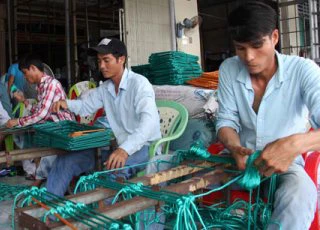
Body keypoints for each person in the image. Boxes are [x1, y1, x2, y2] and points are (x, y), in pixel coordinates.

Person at [216, 2, 319, 229]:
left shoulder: (303, 70)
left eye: (256, 45)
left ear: (274, 37)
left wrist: (293, 144)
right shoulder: (228, 69)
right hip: (240, 161)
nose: (249, 57)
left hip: (287, 164)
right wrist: (234, 146)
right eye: (240, 48)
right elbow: (226, 120)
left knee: (300, 194)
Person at [49, 38, 161, 197]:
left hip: (144, 146)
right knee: (66, 161)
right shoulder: (106, 88)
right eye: (99, 61)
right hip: (118, 146)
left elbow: (148, 124)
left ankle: (103, 218)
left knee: (112, 173)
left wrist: (124, 150)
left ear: (121, 59)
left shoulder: (139, 84)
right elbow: (85, 107)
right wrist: (65, 103)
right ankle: (49, 212)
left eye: (106, 60)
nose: (101, 66)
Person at [6, 54, 74, 187]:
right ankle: (38, 176)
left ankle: (39, 179)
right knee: (25, 138)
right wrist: (25, 102)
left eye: (25, 73)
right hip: (52, 128)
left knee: (45, 151)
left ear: (32, 68)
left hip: (62, 128)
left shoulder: (51, 84)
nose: (25, 77)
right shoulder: (41, 87)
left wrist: (18, 121)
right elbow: (39, 110)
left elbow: (41, 115)